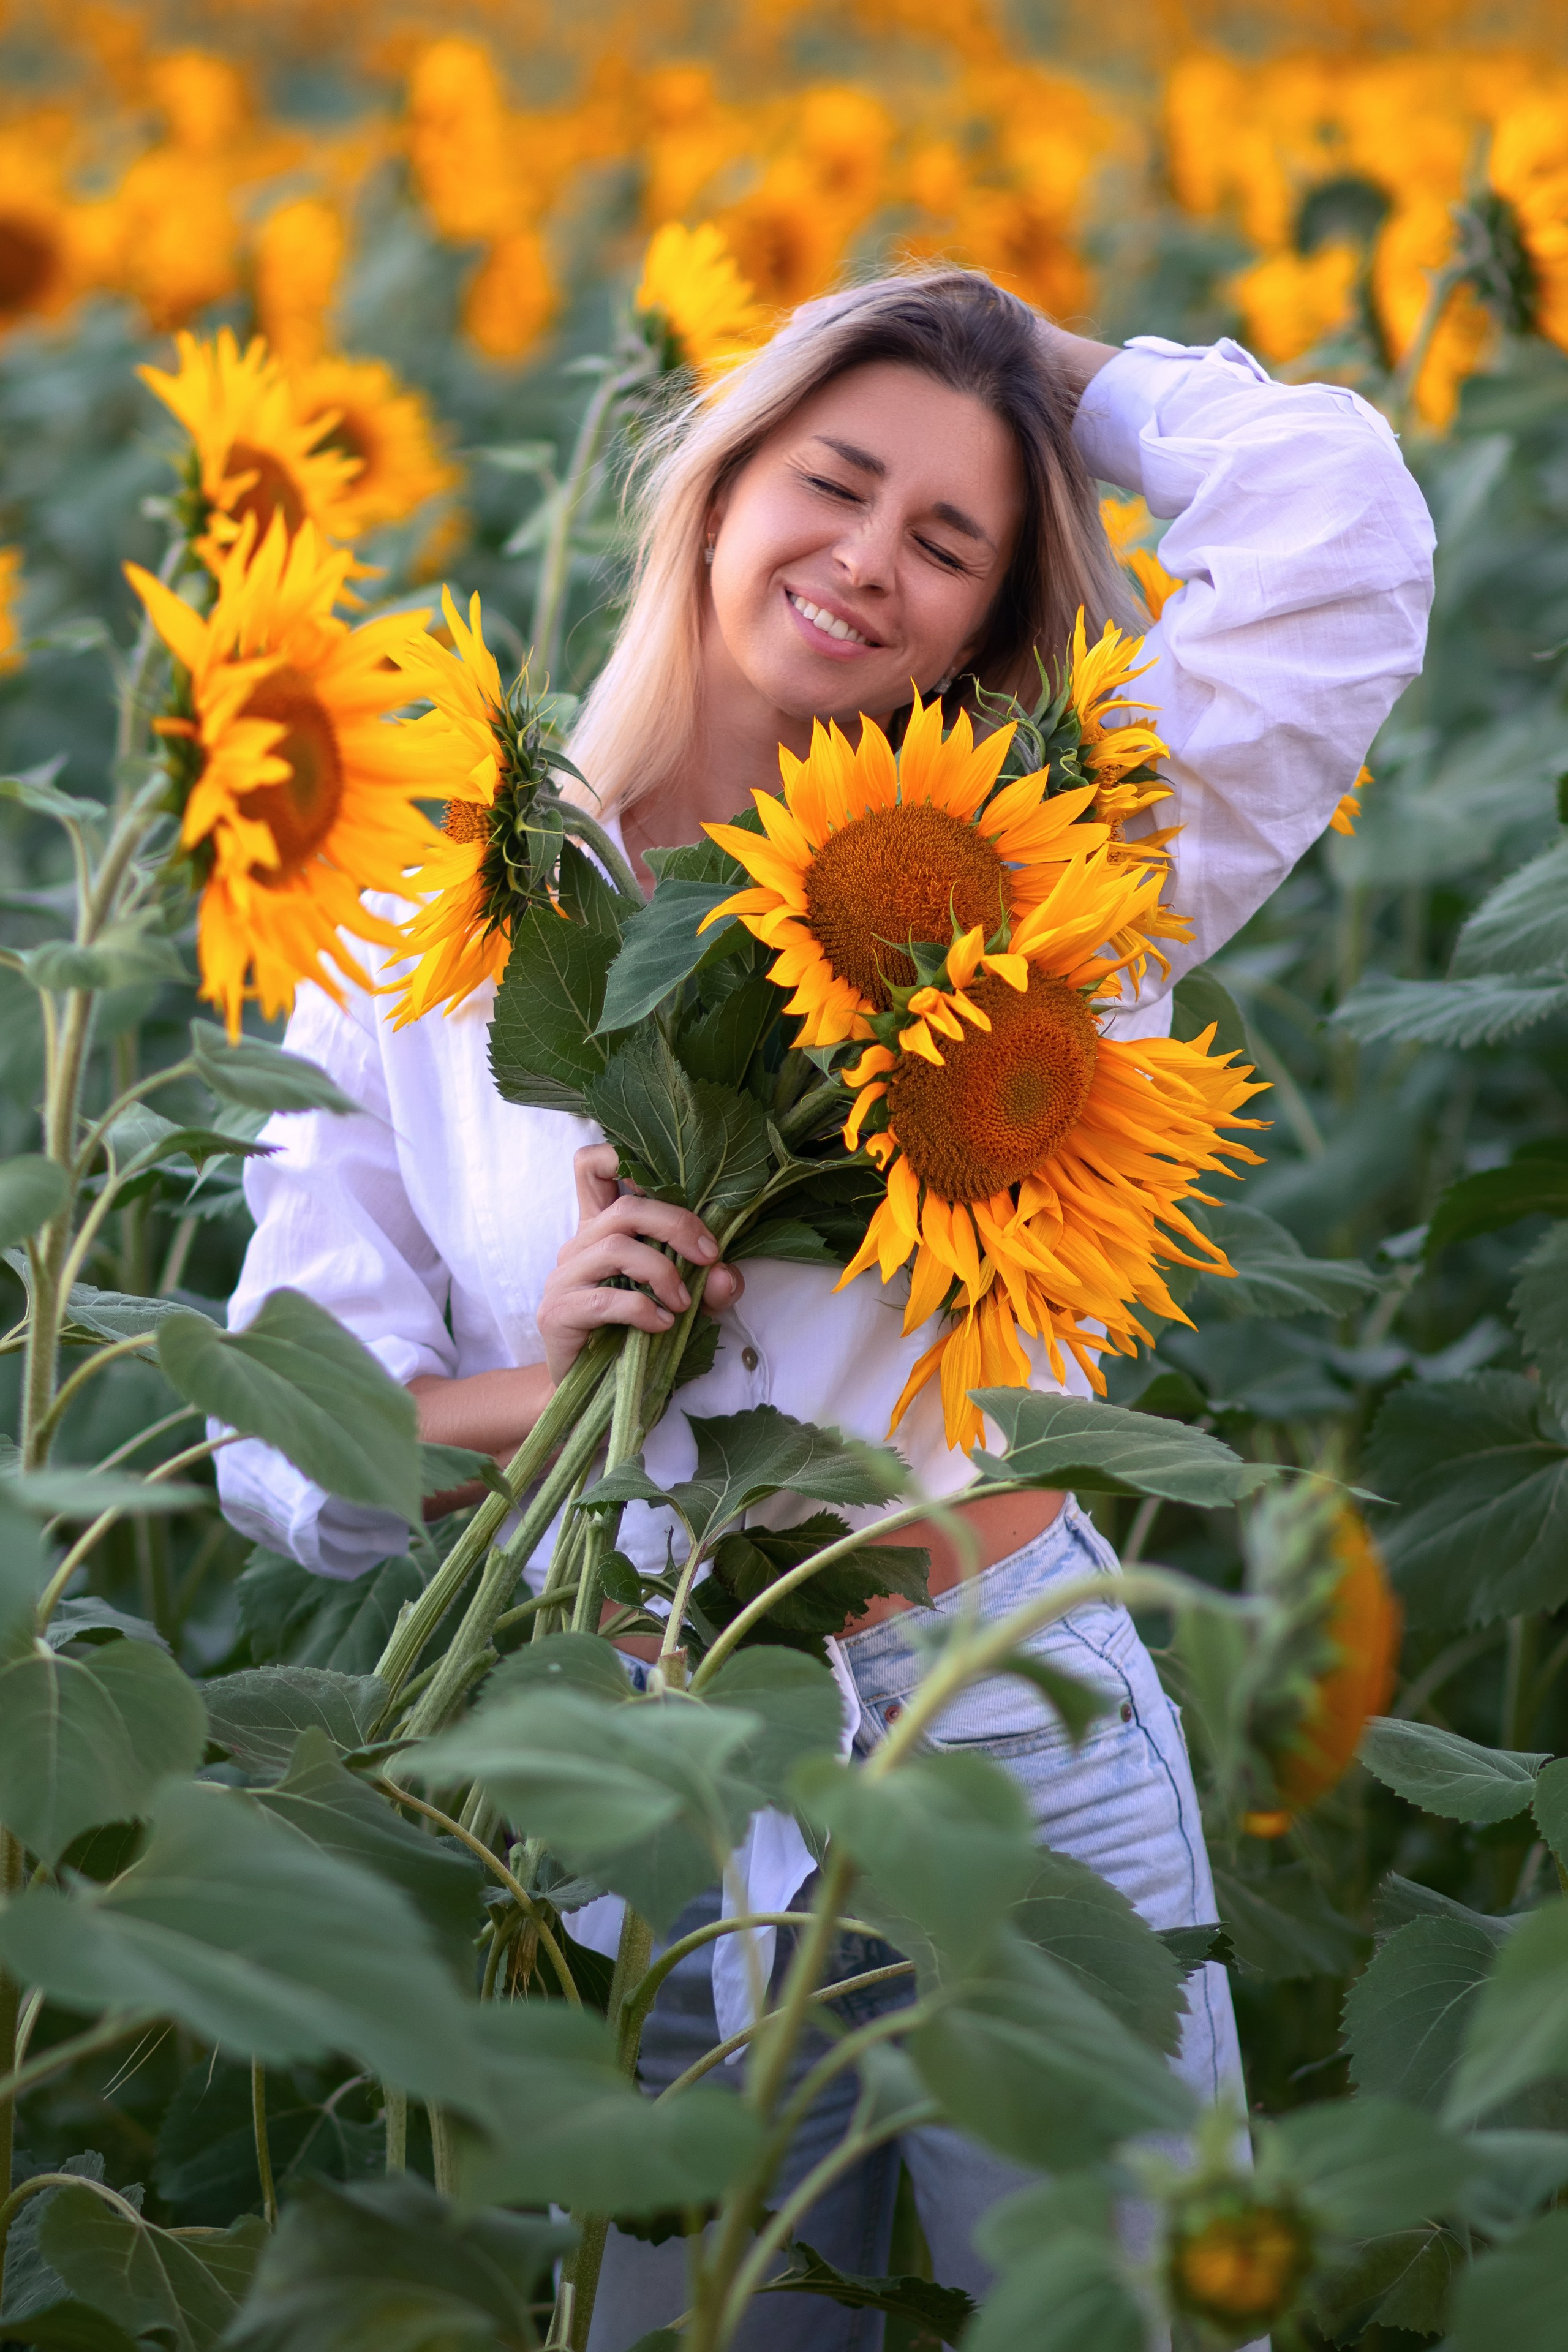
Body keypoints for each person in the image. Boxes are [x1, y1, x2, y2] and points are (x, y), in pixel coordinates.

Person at [217, 268, 1434, 2347]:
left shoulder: (1052, 886)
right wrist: (543, 1386)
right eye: (834, 478)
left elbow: (1340, 523)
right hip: (643, 1764)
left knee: (1135, 2322)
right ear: (717, 487)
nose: (870, 560)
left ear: (982, 624)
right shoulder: (441, 904)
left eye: (948, 542)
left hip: (1001, 1741)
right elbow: (280, 1437)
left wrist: (1009, 342)